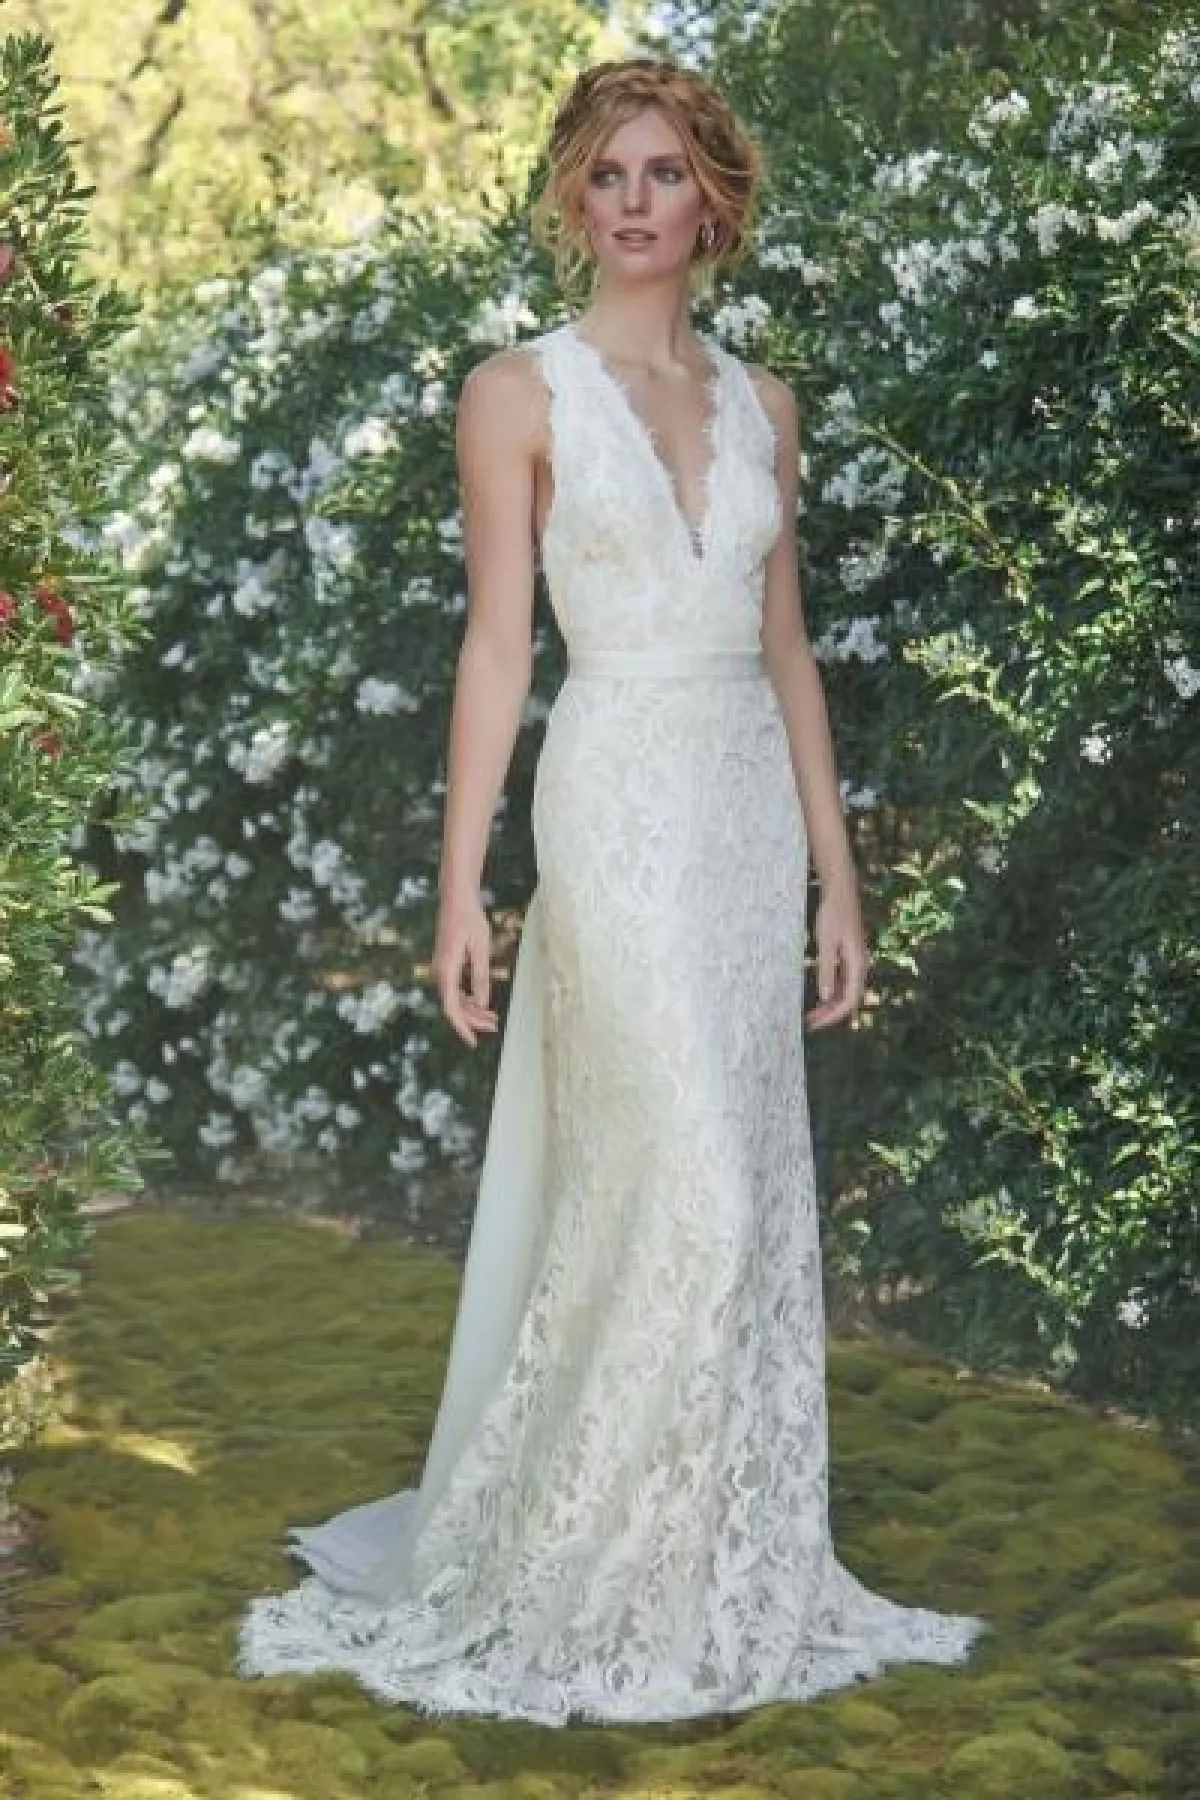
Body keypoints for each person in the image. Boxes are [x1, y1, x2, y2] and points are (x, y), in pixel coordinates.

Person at [237, 54, 990, 1725]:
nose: (635, 201)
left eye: (664, 171)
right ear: (573, 200)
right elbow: (497, 651)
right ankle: (590, 1572)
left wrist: (839, 880)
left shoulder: (765, 404)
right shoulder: (517, 394)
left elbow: (789, 652)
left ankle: (711, 1561)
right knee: (686, 1180)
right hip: (615, 803)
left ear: (714, 196)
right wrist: (461, 891)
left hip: (743, 818)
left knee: (728, 1193)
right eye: (606, 173)